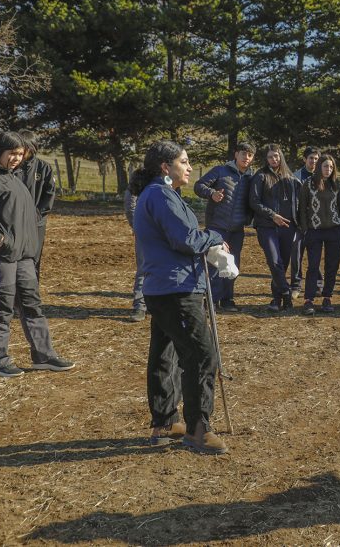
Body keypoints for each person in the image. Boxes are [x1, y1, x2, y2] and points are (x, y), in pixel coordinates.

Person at [130, 140, 227, 454]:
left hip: (164, 286)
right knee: (201, 355)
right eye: (183, 162)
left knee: (165, 353)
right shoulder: (160, 195)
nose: (189, 168)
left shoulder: (159, 195)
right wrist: (215, 235)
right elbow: (186, 239)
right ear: (165, 167)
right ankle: (198, 431)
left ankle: (166, 419)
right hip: (176, 288)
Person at [0, 131, 75, 377]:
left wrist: (30, 249)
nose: (16, 158)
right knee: (2, 307)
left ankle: (43, 355)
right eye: (11, 153)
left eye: (20, 154)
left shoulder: (14, 178)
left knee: (32, 304)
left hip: (23, 257)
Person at [194, 141, 255, 312]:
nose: (246, 157)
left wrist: (247, 218)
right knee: (214, 263)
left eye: (250, 155)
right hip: (216, 227)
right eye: (243, 153)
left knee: (232, 264)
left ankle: (228, 300)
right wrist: (211, 193)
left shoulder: (251, 178)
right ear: (236, 154)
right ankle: (211, 300)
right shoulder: (220, 171)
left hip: (237, 229)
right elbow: (198, 186)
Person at [249, 144, 300, 313]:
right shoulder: (260, 176)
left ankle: (276, 299)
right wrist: (272, 215)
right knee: (274, 261)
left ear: (281, 157)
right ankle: (286, 292)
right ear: (266, 159)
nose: (274, 159)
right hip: (267, 226)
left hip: (287, 226)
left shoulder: (291, 178)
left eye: (276, 156)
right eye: (270, 157)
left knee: (283, 263)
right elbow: (254, 202)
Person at [296, 153, 340, 315]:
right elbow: (302, 208)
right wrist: (305, 229)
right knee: (313, 265)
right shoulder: (308, 184)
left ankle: (327, 297)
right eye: (326, 166)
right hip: (314, 231)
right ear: (319, 167)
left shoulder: (336, 184)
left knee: (332, 266)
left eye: (331, 167)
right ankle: (308, 299)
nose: (328, 169)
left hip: (334, 231)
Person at [16, 131, 56, 280]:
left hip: (36, 224)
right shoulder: (11, 167)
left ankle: (30, 297)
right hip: (13, 224)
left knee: (33, 260)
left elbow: (49, 195)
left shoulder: (44, 168)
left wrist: (36, 215)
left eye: (25, 147)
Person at [291, 146, 320, 297]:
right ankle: (296, 285)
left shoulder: (322, 176)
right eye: (311, 158)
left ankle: (316, 283)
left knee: (315, 253)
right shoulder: (296, 177)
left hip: (316, 223)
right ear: (304, 159)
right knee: (297, 254)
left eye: (316, 159)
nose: (313, 161)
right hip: (298, 223)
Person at [124, 186, 146, 322]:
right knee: (144, 269)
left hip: (166, 233)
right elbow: (130, 203)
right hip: (146, 233)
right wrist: (138, 226)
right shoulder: (141, 179)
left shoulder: (170, 180)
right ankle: (140, 305)